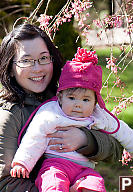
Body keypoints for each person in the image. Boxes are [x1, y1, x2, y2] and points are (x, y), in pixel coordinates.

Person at [0, 23, 123, 192]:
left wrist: (85, 140)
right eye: (26, 61)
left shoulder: (68, 97)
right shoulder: (9, 116)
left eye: (43, 58)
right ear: (11, 68)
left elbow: (115, 149)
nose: (37, 68)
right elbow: (5, 184)